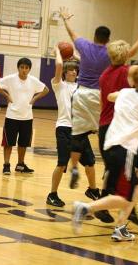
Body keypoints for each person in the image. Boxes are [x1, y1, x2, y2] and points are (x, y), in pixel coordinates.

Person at [72, 64, 138, 242]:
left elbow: (110, 96)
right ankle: (86, 208)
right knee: (125, 199)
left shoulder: (124, 93)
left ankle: (120, 227)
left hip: (110, 146)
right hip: (124, 151)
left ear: (132, 81)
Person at [98, 36, 138, 225]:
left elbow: (101, 101)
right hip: (123, 128)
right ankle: (128, 208)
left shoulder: (104, 74)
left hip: (105, 126)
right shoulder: (128, 72)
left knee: (113, 169)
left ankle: (106, 205)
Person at [59, 7, 111, 189]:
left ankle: (74, 167)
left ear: (94, 36)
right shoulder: (110, 53)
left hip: (81, 94)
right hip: (99, 96)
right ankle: (109, 166)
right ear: (107, 40)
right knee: (104, 132)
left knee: (78, 134)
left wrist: (66, 19)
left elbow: (72, 34)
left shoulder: (85, 46)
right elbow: (130, 53)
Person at [46, 47, 100, 207]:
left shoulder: (81, 87)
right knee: (62, 163)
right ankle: (52, 194)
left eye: (75, 70)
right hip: (64, 128)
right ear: (65, 73)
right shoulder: (59, 85)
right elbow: (58, 66)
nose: (74, 72)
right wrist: (58, 51)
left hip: (80, 130)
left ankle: (92, 189)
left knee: (90, 163)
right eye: (70, 70)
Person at [0, 58, 49, 175]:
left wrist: (34, 98)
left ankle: (20, 164)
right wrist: (6, 95)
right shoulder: (11, 79)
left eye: (26, 68)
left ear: (29, 69)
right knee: (8, 143)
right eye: (22, 67)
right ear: (18, 68)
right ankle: (6, 165)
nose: (24, 70)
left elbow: (46, 89)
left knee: (23, 143)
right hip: (12, 116)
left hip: (27, 117)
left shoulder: (33, 80)